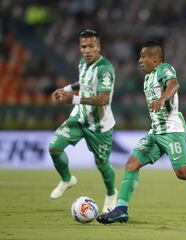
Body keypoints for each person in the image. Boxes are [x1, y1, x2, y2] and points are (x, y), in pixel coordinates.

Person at [96, 40, 186, 224]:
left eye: (143, 56)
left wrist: (162, 99)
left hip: (172, 130)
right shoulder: (148, 78)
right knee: (132, 164)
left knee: (183, 173)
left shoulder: (164, 69)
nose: (139, 60)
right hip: (156, 132)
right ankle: (121, 210)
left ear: (155, 59)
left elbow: (174, 85)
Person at [49, 29, 118, 213]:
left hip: (99, 126)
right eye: (83, 47)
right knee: (54, 148)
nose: (87, 50)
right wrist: (64, 88)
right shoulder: (82, 63)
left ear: (99, 47)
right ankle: (67, 179)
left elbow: (103, 98)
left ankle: (111, 194)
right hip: (79, 117)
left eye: (91, 46)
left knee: (102, 165)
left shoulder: (106, 69)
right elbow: (83, 82)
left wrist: (72, 99)